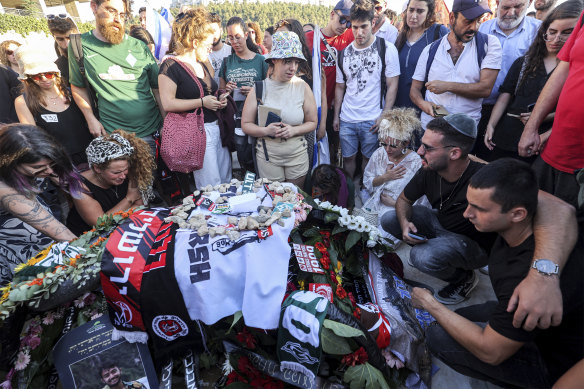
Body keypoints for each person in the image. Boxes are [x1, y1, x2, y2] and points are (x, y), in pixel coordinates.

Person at [412, 158, 583, 388]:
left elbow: (491, 351)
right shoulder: (521, 217)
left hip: (552, 361)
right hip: (526, 319)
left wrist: (429, 303)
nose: (466, 214)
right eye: (468, 204)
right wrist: (545, 274)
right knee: (457, 319)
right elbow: (558, 207)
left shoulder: (522, 282)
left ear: (517, 214)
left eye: (479, 209)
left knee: (438, 336)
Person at [381, 113, 577, 309]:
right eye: (422, 144)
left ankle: (463, 279)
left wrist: (545, 274)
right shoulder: (430, 167)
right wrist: (406, 224)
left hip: (474, 244)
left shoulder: (486, 179)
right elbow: (404, 200)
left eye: (428, 147)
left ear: (455, 153)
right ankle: (437, 253)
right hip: (440, 224)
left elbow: (559, 208)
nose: (419, 151)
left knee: (422, 257)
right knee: (391, 219)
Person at [484, 1, 582, 161]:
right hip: (506, 137)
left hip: (540, 143)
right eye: (552, 31)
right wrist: (491, 125)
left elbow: (573, 111)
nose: (556, 39)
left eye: (567, 32)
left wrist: (542, 116)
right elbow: (505, 96)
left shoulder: (575, 72)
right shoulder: (524, 62)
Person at [68, 0, 164, 153]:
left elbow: (157, 89)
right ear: (94, 7)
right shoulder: (79, 45)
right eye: (111, 11)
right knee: (120, 177)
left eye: (122, 14)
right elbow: (78, 87)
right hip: (113, 136)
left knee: (151, 177)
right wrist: (90, 118)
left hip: (151, 132)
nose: (117, 19)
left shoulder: (139, 46)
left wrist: (167, 125)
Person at [518, 8, 584, 218]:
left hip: (579, 166)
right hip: (554, 152)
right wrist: (533, 128)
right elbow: (564, 70)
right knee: (528, 220)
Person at [158, 8, 231, 192]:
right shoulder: (170, 66)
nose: (211, 47)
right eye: (208, 43)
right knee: (210, 186)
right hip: (197, 132)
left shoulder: (203, 63)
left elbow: (208, 93)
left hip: (217, 127)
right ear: (195, 42)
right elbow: (168, 103)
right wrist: (201, 102)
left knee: (226, 179)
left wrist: (219, 98)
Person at [0, 124, 82, 286]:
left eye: (52, 164)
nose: (50, 171)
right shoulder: (5, 190)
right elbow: (61, 234)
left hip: (39, 235)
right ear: (11, 162)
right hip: (15, 246)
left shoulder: (16, 137)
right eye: (38, 167)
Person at [410, 0, 502, 131]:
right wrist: (424, 104)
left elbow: (485, 89)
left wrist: (447, 86)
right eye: (468, 21)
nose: (474, 27)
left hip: (464, 132)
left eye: (478, 21)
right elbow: (414, 90)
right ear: (452, 18)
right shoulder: (431, 50)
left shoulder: (489, 44)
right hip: (431, 129)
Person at [333, 0, 400, 180]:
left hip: (372, 118)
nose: (359, 32)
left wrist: (383, 116)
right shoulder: (344, 53)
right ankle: (348, 193)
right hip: (347, 117)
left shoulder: (386, 49)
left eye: (363, 26)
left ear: (372, 23)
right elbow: (340, 86)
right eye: (354, 27)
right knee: (347, 159)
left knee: (369, 160)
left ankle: (365, 188)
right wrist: (336, 116)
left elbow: (393, 84)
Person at [241, 31, 318, 187]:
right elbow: (246, 124)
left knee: (295, 201)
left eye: (296, 62)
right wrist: (266, 131)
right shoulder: (259, 88)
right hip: (268, 158)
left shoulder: (302, 87)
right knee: (273, 202)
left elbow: (313, 122)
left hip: (297, 156)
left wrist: (294, 130)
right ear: (274, 60)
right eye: (288, 61)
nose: (293, 67)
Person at [474, 0, 541, 159]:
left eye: (518, 7)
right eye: (505, 7)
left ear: (529, 3)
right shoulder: (484, 28)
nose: (511, 13)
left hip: (515, 114)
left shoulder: (539, 30)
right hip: (481, 108)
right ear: (497, 3)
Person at [14, 45, 92, 167]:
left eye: (48, 74)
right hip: (60, 163)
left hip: (91, 155)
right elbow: (33, 139)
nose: (44, 79)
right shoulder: (23, 101)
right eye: (36, 76)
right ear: (28, 78)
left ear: (55, 73)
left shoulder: (73, 92)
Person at [67, 130, 154, 236]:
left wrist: (112, 216)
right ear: (97, 168)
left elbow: (141, 205)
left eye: (125, 170)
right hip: (91, 236)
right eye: (116, 172)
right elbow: (101, 224)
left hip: (126, 227)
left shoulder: (128, 170)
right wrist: (129, 199)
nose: (123, 176)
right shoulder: (79, 187)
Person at [305, 0, 355, 166]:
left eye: (349, 22)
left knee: (333, 151)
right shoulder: (309, 39)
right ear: (332, 14)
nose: (345, 26)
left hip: (337, 107)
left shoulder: (349, 36)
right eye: (342, 19)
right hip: (314, 105)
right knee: (312, 150)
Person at [275, 18, 327, 168]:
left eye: (284, 34)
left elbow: (322, 94)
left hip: (307, 126)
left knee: (306, 170)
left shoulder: (312, 63)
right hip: (283, 127)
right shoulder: (274, 66)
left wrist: (322, 123)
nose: (280, 39)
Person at [219, 17, 268, 173]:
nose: (234, 41)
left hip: (257, 117)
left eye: (237, 37)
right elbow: (220, 95)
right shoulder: (227, 62)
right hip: (235, 117)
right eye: (230, 37)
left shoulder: (261, 60)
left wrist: (255, 91)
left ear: (247, 35)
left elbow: (271, 90)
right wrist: (227, 90)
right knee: (243, 158)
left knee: (259, 157)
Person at [362, 108, 426, 217]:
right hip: (374, 208)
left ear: (406, 143)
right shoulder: (379, 153)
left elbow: (421, 199)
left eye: (393, 146)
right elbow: (367, 182)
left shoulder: (416, 163)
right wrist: (385, 177)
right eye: (384, 144)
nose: (387, 149)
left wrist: (395, 204)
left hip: (399, 213)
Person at [394, 0, 448, 110]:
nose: (414, 16)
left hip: (426, 107)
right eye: (411, 10)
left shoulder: (439, 33)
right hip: (399, 108)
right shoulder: (401, 36)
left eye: (420, 11)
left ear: (429, 14)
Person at [47, 15, 79, 86]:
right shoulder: (57, 68)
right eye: (60, 39)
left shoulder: (94, 52)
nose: (67, 44)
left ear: (78, 34)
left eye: (69, 38)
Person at [208, 12, 232, 85]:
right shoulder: (202, 55)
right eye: (209, 31)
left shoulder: (231, 51)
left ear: (221, 31)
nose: (212, 35)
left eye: (214, 31)